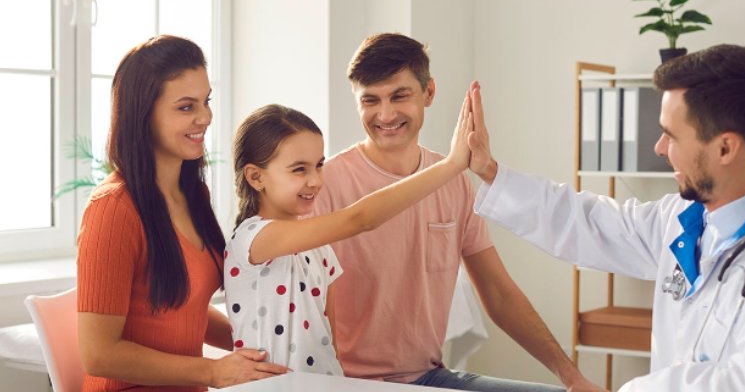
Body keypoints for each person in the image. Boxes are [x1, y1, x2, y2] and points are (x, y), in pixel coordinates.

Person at [467, 44, 745, 391]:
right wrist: (490, 171)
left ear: (725, 148)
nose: (659, 148)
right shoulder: (684, 218)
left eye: (670, 135)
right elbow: (589, 222)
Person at [311, 32, 602, 392]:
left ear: (429, 92)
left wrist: (572, 377)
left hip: (428, 377)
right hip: (346, 382)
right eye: (370, 100)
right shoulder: (325, 184)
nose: (384, 114)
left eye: (399, 96)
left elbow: (498, 293)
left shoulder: (454, 182)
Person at [76, 35, 288, 391]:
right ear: (143, 115)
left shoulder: (192, 194)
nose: (205, 117)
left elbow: (182, 309)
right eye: (186, 107)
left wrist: (265, 345)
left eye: (206, 101)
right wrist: (213, 371)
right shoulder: (112, 209)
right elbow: (99, 354)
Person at [223, 98, 472, 377]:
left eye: (319, 165)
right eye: (299, 169)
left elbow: (331, 340)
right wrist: (452, 165)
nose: (316, 180)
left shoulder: (320, 250)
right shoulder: (253, 239)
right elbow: (361, 218)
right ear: (256, 177)